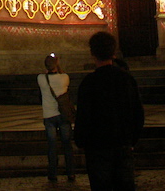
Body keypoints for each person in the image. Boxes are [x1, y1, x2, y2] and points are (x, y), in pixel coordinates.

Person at [75, 32, 144, 191]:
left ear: (92, 53)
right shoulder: (126, 79)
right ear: (113, 52)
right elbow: (138, 113)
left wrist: (81, 141)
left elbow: (83, 117)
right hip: (122, 145)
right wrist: (131, 140)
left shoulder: (88, 83)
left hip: (97, 149)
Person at [37, 53, 75, 183]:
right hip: (63, 115)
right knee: (67, 145)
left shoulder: (41, 79)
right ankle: (70, 173)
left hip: (49, 116)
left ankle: (52, 173)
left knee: (52, 146)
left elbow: (44, 75)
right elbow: (63, 77)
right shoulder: (65, 77)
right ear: (56, 65)